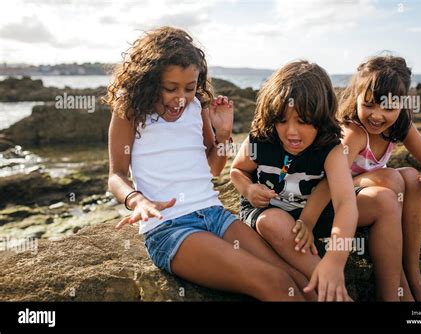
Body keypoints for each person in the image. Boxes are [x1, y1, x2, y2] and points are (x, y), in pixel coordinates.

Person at [104, 26, 314, 301]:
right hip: (170, 229)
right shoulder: (129, 109)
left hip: (215, 215)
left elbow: (213, 168)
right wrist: (137, 201)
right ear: (149, 81)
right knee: (274, 281)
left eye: (189, 88)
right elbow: (116, 175)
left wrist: (224, 134)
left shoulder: (197, 107)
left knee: (296, 278)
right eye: (170, 88)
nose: (181, 98)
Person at [230, 60, 358, 301]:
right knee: (273, 222)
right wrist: (248, 189)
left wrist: (335, 259)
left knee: (383, 201)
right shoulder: (261, 140)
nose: (291, 132)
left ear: (321, 118)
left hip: (315, 212)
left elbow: (345, 203)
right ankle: (331, 290)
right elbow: (237, 170)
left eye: (302, 121)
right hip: (271, 211)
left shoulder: (331, 148)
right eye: (282, 120)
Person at [337, 55, 421, 301]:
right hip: (338, 200)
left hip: (374, 196)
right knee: (392, 178)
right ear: (356, 96)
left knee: (411, 176)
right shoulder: (353, 133)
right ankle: (401, 288)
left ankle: (412, 274)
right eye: (369, 104)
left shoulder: (400, 126)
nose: (377, 115)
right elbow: (333, 184)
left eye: (388, 107)